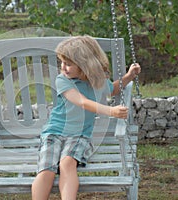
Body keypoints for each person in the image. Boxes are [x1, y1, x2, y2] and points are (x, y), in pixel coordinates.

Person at [31, 35, 141, 200]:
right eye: (61, 62)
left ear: (85, 65)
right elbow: (82, 101)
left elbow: (112, 89)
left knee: (67, 163)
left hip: (80, 134)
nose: (63, 67)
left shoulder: (98, 81)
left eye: (68, 64)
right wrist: (110, 111)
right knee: (47, 168)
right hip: (54, 131)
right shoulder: (63, 80)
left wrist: (129, 76)